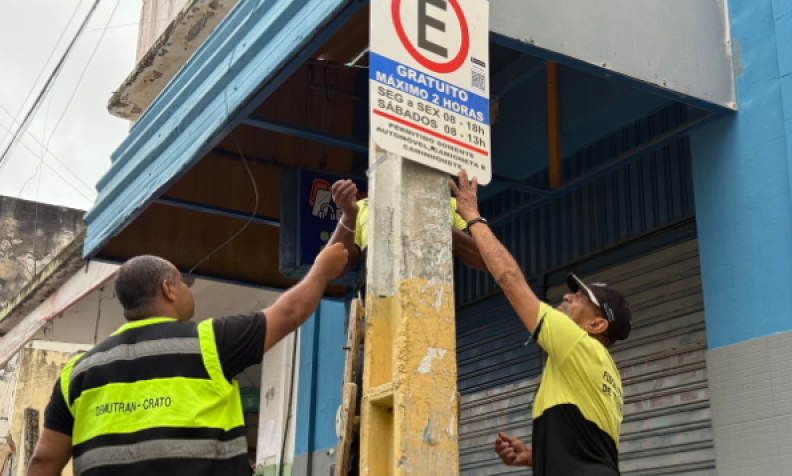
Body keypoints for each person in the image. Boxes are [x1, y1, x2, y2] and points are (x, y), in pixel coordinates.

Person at [26, 244, 350, 476]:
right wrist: (322, 268)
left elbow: (43, 463)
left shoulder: (77, 373)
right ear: (169, 289)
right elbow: (290, 312)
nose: (186, 289)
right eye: (182, 282)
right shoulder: (209, 344)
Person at [449, 169, 632, 476]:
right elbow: (588, 453)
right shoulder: (609, 377)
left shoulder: (578, 343)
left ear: (597, 326)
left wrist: (472, 214)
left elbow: (509, 279)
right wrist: (537, 457)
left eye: (581, 298)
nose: (569, 297)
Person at [327, 179, 487, 294]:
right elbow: (332, 270)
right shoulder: (362, 207)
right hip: (377, 311)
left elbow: (485, 259)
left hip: (429, 308)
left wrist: (434, 224)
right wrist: (348, 215)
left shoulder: (450, 205)